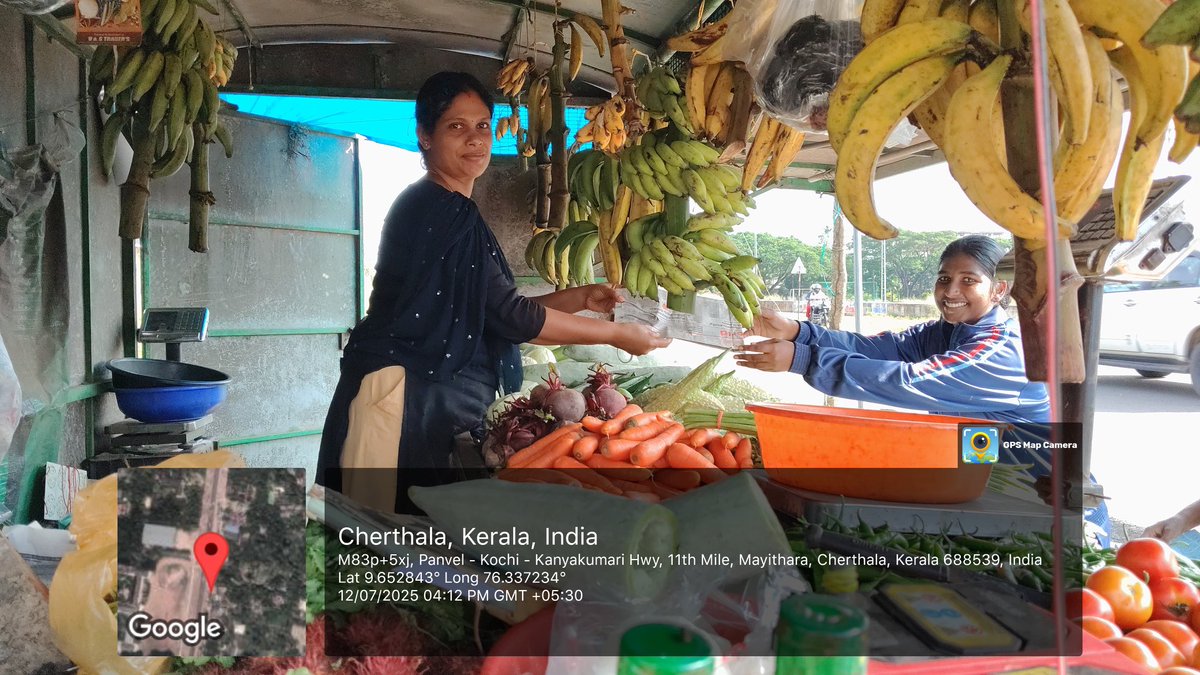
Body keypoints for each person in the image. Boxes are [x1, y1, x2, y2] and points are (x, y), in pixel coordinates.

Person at [316, 72, 670, 512]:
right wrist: (616, 336)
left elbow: (492, 316)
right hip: (402, 399)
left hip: (419, 397)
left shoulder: (445, 207)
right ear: (425, 136)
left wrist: (579, 299)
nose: (475, 140)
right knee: (387, 548)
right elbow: (512, 318)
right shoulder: (442, 209)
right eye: (456, 127)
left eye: (483, 125)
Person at [735, 235, 1112, 546]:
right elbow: (878, 350)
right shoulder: (947, 332)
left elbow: (907, 380)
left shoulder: (997, 351)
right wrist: (799, 332)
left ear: (998, 289)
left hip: (1049, 505)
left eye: (969, 280)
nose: (951, 291)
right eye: (944, 278)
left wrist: (802, 360)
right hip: (996, 493)